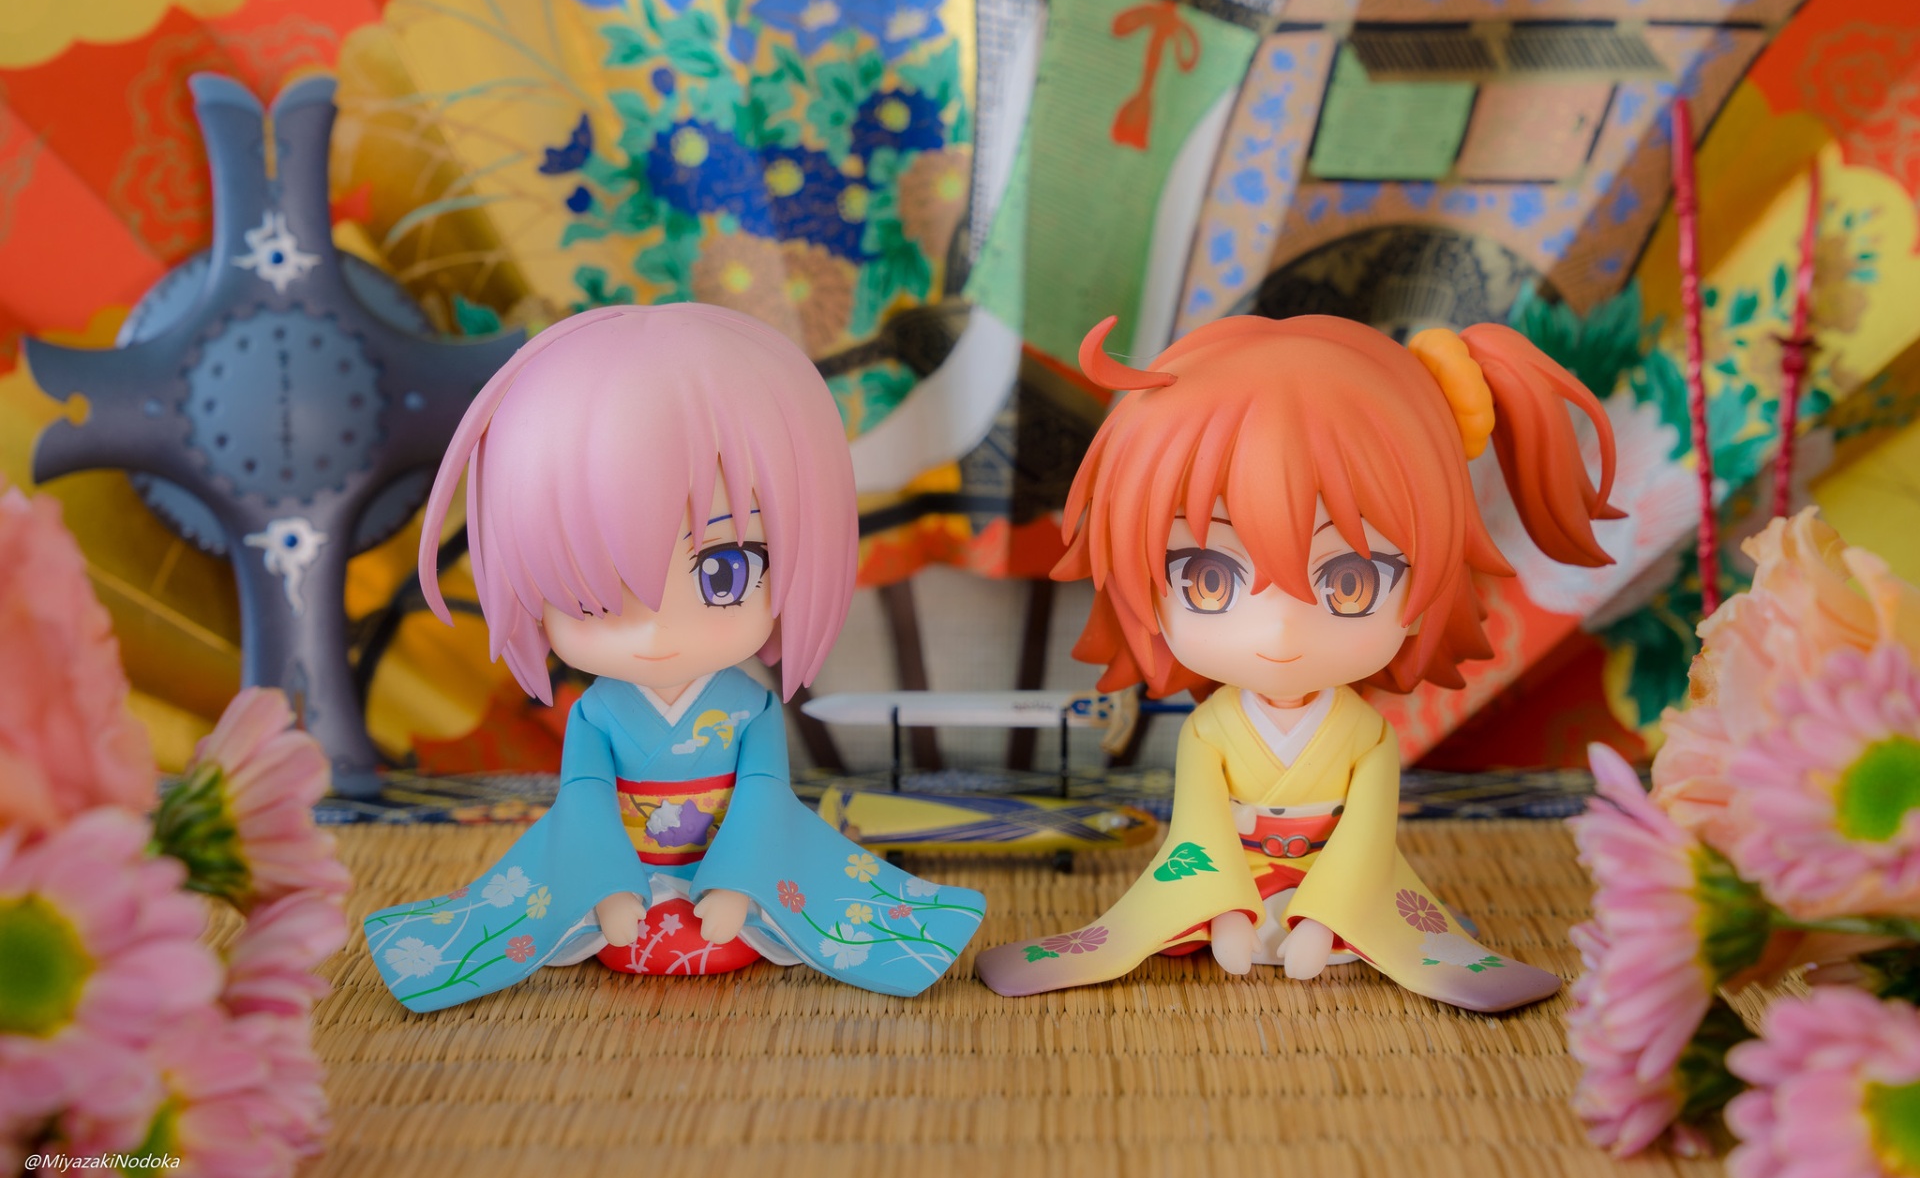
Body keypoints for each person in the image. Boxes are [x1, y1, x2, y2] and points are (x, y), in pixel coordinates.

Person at [975, 313, 1620, 1012]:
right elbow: (1198, 836)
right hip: (1233, 893)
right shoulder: (1209, 732)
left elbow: (1366, 843)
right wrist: (1227, 913)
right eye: (1209, 577)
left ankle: (1332, 925)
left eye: (1350, 581)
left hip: (1340, 900)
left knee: (1350, 910)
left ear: (1427, 586)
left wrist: (1322, 919)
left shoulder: (1365, 737)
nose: (1279, 624)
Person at [364, 305, 983, 1013]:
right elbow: (583, 801)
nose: (658, 630)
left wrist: (737, 885)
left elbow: (764, 796)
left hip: (730, 879)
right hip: (627, 880)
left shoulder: (749, 709)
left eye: (725, 572)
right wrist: (608, 890)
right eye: (592, 590)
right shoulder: (597, 714)